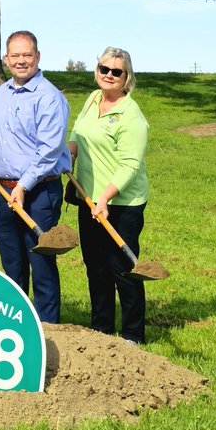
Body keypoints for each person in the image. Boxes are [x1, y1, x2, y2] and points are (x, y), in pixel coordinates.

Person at [0, 31, 71, 324]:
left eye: (26, 55)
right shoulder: (2, 92)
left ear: (37, 57)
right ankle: (15, 324)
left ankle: (47, 329)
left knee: (40, 262)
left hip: (39, 192)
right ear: (6, 59)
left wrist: (24, 186)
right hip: (4, 191)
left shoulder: (50, 98)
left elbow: (49, 151)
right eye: (14, 56)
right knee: (12, 262)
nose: (21, 61)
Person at [68, 47, 150, 344]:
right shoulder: (93, 99)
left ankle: (131, 335)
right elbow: (77, 132)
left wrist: (105, 198)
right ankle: (101, 329)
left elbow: (130, 164)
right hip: (88, 199)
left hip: (122, 203)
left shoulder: (131, 115)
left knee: (123, 269)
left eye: (117, 71)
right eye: (104, 69)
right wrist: (70, 153)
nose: (109, 75)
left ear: (127, 77)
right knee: (95, 266)